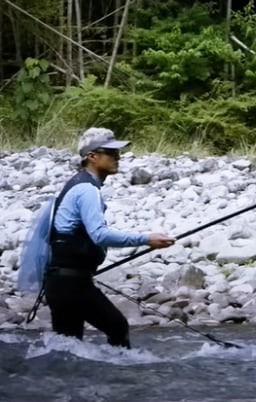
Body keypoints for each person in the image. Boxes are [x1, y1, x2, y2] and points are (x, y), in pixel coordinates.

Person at [45, 127, 175, 348]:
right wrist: (146, 239)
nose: (118, 158)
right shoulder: (87, 190)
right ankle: (122, 376)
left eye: (118, 153)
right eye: (111, 153)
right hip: (72, 284)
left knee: (68, 347)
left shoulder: (77, 184)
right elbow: (99, 234)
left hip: (60, 282)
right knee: (117, 327)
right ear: (92, 156)